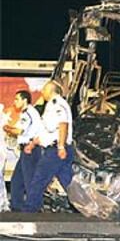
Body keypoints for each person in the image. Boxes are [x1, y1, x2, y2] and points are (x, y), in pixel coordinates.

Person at [22, 81, 74, 212]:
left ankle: (30, 209)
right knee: (69, 183)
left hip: (55, 150)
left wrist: (60, 147)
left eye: (44, 90)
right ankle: (88, 206)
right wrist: (32, 144)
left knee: (39, 178)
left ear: (51, 91)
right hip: (58, 148)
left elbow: (63, 125)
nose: (42, 92)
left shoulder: (56, 104)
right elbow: (47, 131)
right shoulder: (51, 105)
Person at [3, 91, 42, 211]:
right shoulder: (26, 113)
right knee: (17, 179)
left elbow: (19, 131)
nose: (15, 102)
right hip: (25, 149)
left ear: (24, 100)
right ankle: (16, 204)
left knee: (29, 178)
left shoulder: (28, 113)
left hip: (29, 148)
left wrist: (6, 128)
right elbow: (17, 128)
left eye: (17, 99)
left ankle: (33, 206)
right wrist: (9, 128)